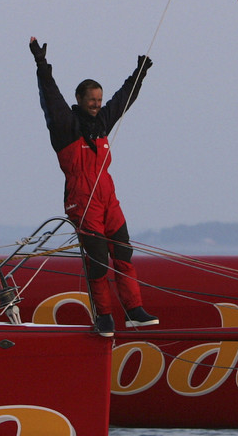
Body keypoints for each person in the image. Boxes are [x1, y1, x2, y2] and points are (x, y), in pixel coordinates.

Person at [30, 37, 158, 337]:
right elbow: (51, 98)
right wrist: (41, 66)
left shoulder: (101, 122)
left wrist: (139, 74)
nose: (97, 105)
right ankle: (104, 316)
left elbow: (122, 100)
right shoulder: (66, 126)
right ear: (80, 98)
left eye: (99, 101)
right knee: (99, 263)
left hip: (108, 197)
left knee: (123, 254)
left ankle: (134, 310)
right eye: (92, 100)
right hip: (82, 200)